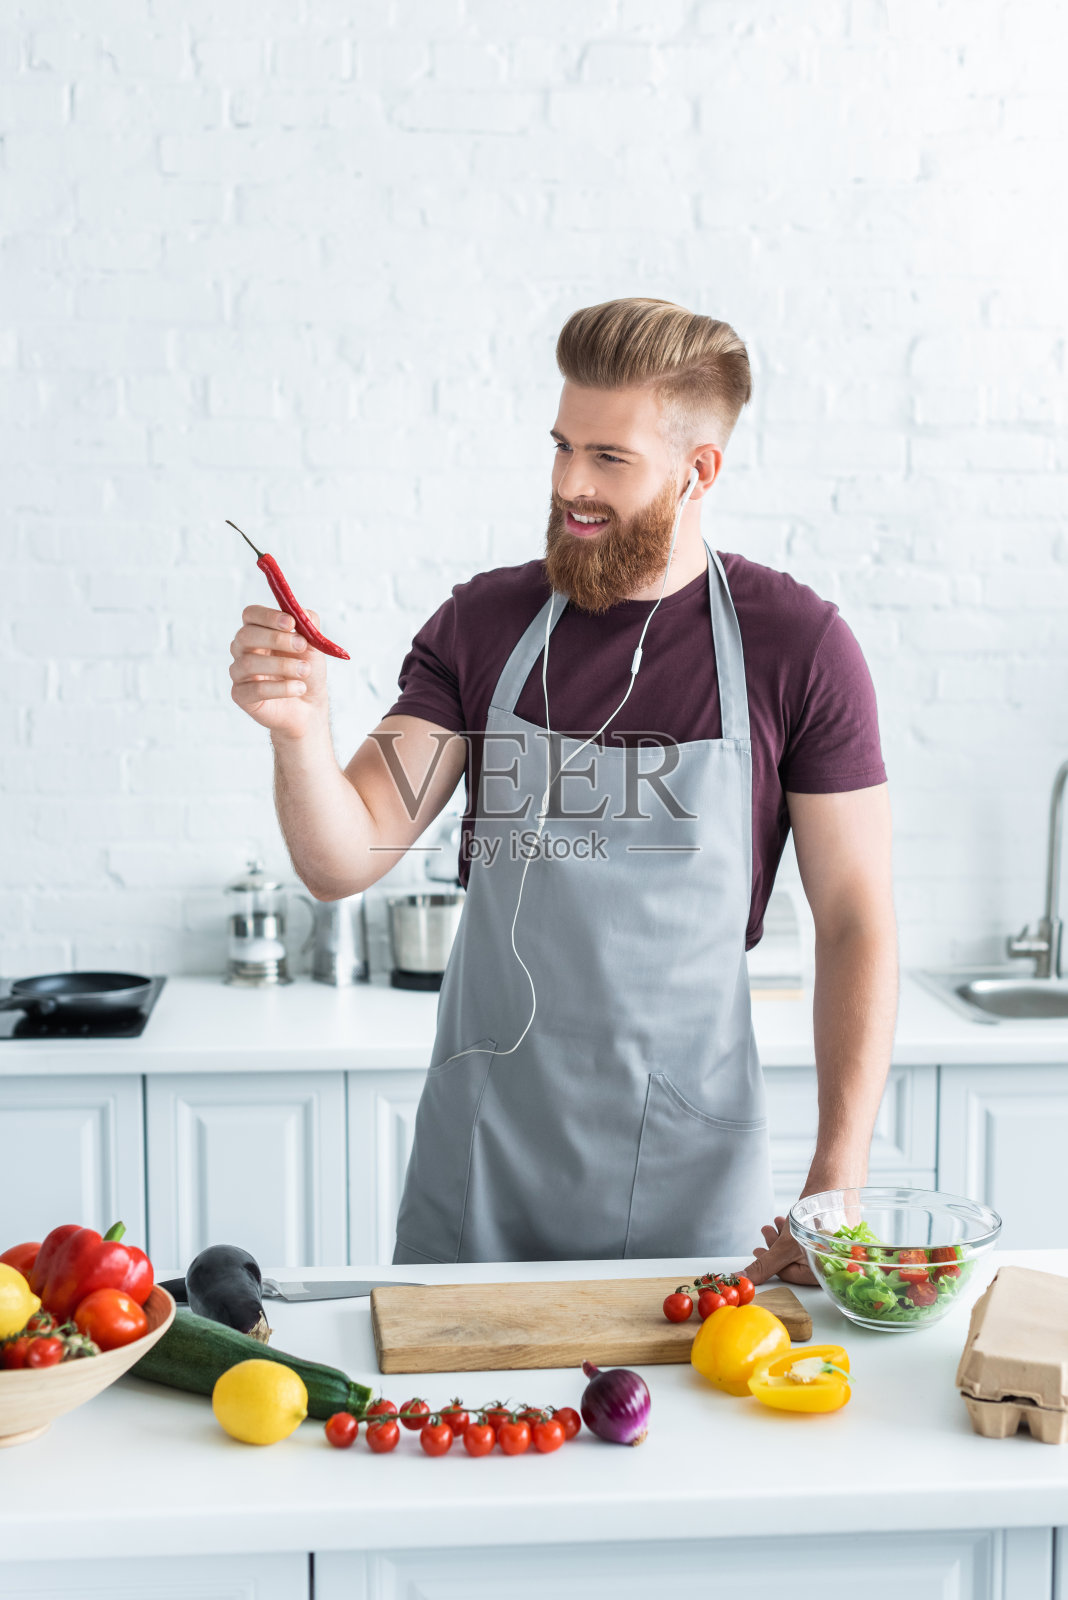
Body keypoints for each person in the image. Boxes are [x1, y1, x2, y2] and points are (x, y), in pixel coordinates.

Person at [228, 297, 898, 1285]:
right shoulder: (484, 626)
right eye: (562, 446)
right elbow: (343, 857)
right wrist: (299, 735)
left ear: (698, 470)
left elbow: (855, 920)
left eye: (609, 459)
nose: (570, 485)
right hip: (482, 1168)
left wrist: (836, 1177)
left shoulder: (796, 649)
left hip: (689, 1173)